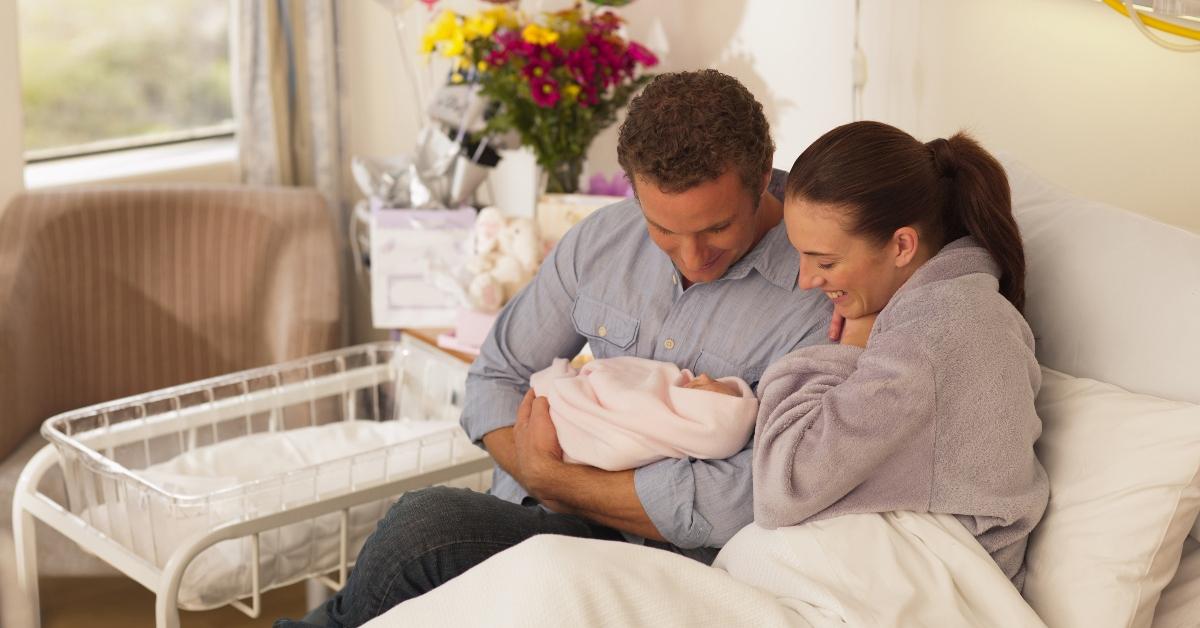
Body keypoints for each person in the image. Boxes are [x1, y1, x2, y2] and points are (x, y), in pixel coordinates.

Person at [278, 69, 832, 627]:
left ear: (762, 176)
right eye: (663, 228)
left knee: (424, 530)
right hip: (538, 514)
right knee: (415, 562)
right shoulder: (603, 241)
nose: (691, 256)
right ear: (633, 189)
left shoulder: (821, 287)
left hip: (665, 557)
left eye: (717, 227)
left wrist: (556, 480)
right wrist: (536, 475)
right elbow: (495, 377)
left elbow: (752, 490)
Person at [752, 121, 1049, 588]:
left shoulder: (932, 336)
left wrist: (850, 343)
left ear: (902, 245)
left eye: (825, 262)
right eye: (801, 256)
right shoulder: (963, 307)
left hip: (933, 588)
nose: (806, 280)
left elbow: (782, 484)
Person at [529, 356, 757, 471]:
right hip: (539, 431)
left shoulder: (660, 426)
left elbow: (624, 433)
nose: (705, 376)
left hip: (561, 421)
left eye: (702, 388)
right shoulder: (666, 384)